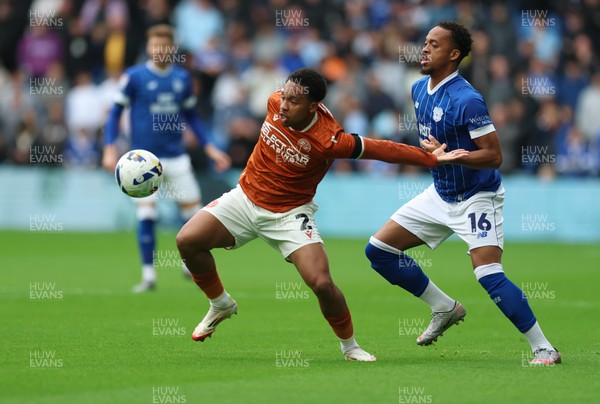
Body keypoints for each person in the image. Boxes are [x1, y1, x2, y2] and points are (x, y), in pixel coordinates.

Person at [175, 68, 468, 362]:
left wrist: (429, 157)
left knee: (321, 283)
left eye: (293, 101)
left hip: (290, 214)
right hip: (244, 198)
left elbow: (382, 149)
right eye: (285, 96)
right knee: (187, 240)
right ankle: (220, 304)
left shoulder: (330, 139)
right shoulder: (274, 102)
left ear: (313, 106)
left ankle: (350, 346)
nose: (284, 105)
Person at [364, 21, 561, 365]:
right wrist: (432, 153)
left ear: (454, 55)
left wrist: (460, 156)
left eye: (434, 45)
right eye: (425, 42)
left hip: (477, 197)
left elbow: (495, 155)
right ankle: (443, 307)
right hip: (440, 194)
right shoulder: (418, 90)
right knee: (379, 250)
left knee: (487, 274)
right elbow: (434, 144)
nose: (424, 49)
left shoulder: (467, 100)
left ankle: (544, 348)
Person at [103, 24, 231, 293]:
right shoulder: (134, 77)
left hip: (176, 157)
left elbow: (192, 116)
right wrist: (109, 148)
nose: (159, 50)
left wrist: (210, 147)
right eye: (155, 46)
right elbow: (115, 113)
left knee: (194, 217)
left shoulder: (182, 79)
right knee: (147, 214)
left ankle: (190, 262)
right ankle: (148, 275)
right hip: (143, 161)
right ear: (148, 48)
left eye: (164, 46)